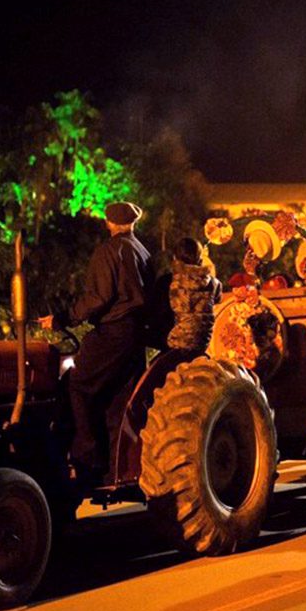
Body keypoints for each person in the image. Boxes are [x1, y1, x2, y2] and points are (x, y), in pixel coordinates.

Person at [38, 201, 153, 488]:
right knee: (119, 399)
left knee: (77, 385)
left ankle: (86, 460)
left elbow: (99, 298)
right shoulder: (143, 251)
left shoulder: (108, 251)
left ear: (110, 223)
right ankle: (115, 467)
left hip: (113, 332)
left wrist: (63, 318)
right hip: (136, 336)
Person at [164, 237, 222, 355]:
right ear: (200, 259)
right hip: (202, 345)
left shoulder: (167, 282)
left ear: (175, 258)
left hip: (172, 344)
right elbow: (217, 300)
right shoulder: (214, 283)